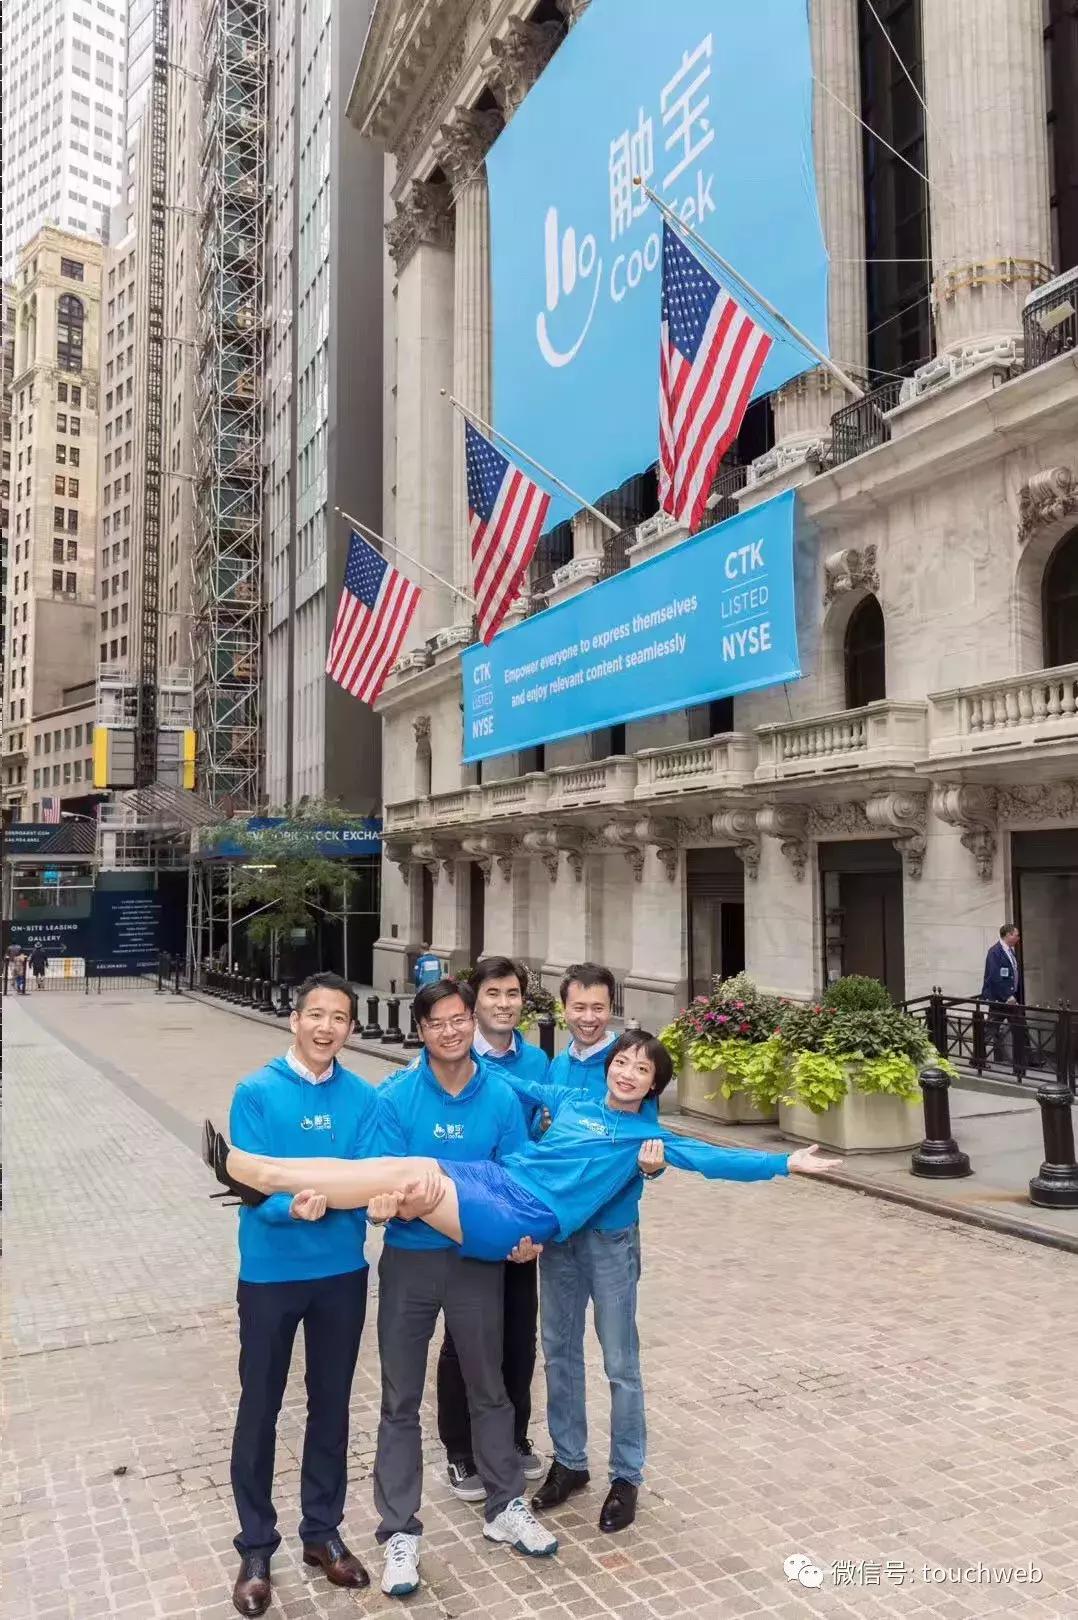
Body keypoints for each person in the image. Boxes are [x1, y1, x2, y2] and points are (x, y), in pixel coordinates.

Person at [204, 1035, 838, 1536]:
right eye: (622, 1062)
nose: (626, 1073)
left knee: (409, 1179)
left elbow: (717, 1159)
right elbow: (511, 1079)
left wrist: (785, 1162)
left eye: (642, 1070)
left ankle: (261, 1174)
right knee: (408, 1167)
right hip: (497, 1181)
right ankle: (264, 1173)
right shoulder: (575, 1102)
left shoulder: (648, 1139)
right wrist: (441, 1053)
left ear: (654, 1085)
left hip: (519, 1217)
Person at [371, 978, 555, 1600]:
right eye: (436, 1023)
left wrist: (526, 1236)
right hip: (410, 1263)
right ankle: (399, 1530)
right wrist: (395, 1202)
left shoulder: (500, 1096)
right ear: (420, 1031)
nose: (449, 1032)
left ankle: (505, 1505)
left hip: (476, 1262)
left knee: (490, 1387)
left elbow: (518, 1178)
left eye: (458, 1020)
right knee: (399, 1398)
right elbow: (385, 1182)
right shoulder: (395, 1097)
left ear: (472, 1024)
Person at [225, 972, 384, 1618]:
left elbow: (365, 1177)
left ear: (350, 1028)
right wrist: (291, 1205)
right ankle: (256, 1546)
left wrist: (365, 1201)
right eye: (316, 1014)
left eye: (339, 1018)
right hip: (270, 1274)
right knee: (259, 1406)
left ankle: (321, 1531)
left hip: (341, 1272)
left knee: (331, 1404)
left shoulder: (364, 1097)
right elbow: (251, 1185)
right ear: (294, 1019)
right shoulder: (256, 1092)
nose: (326, 1027)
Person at [531, 963, 656, 1533]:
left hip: (609, 1236)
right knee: (559, 1350)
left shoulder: (633, 1062)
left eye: (598, 1007)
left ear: (612, 1008)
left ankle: (626, 1475)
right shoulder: (556, 1066)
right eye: (578, 1007)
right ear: (564, 1010)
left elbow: (650, 1146)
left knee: (620, 1362)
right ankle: (570, 1462)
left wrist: (651, 1169)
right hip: (561, 1235)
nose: (588, 1017)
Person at [436, 956, 551, 1503]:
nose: (504, 1004)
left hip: (520, 1219)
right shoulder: (454, 1053)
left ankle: (513, 1435)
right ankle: (460, 1450)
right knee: (463, 1337)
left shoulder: (537, 1061)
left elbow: (545, 1140)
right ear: (473, 1002)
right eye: (492, 994)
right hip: (465, 1219)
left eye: (512, 994)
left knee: (518, 1334)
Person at [980, 923, 1025, 1063]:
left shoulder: (1009, 951)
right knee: (990, 1030)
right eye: (1016, 935)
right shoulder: (995, 952)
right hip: (1000, 999)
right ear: (1008, 935)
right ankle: (977, 1058)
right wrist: (1007, 996)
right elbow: (995, 977)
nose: (1018, 938)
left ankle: (1026, 1060)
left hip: (1011, 998)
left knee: (1020, 1027)